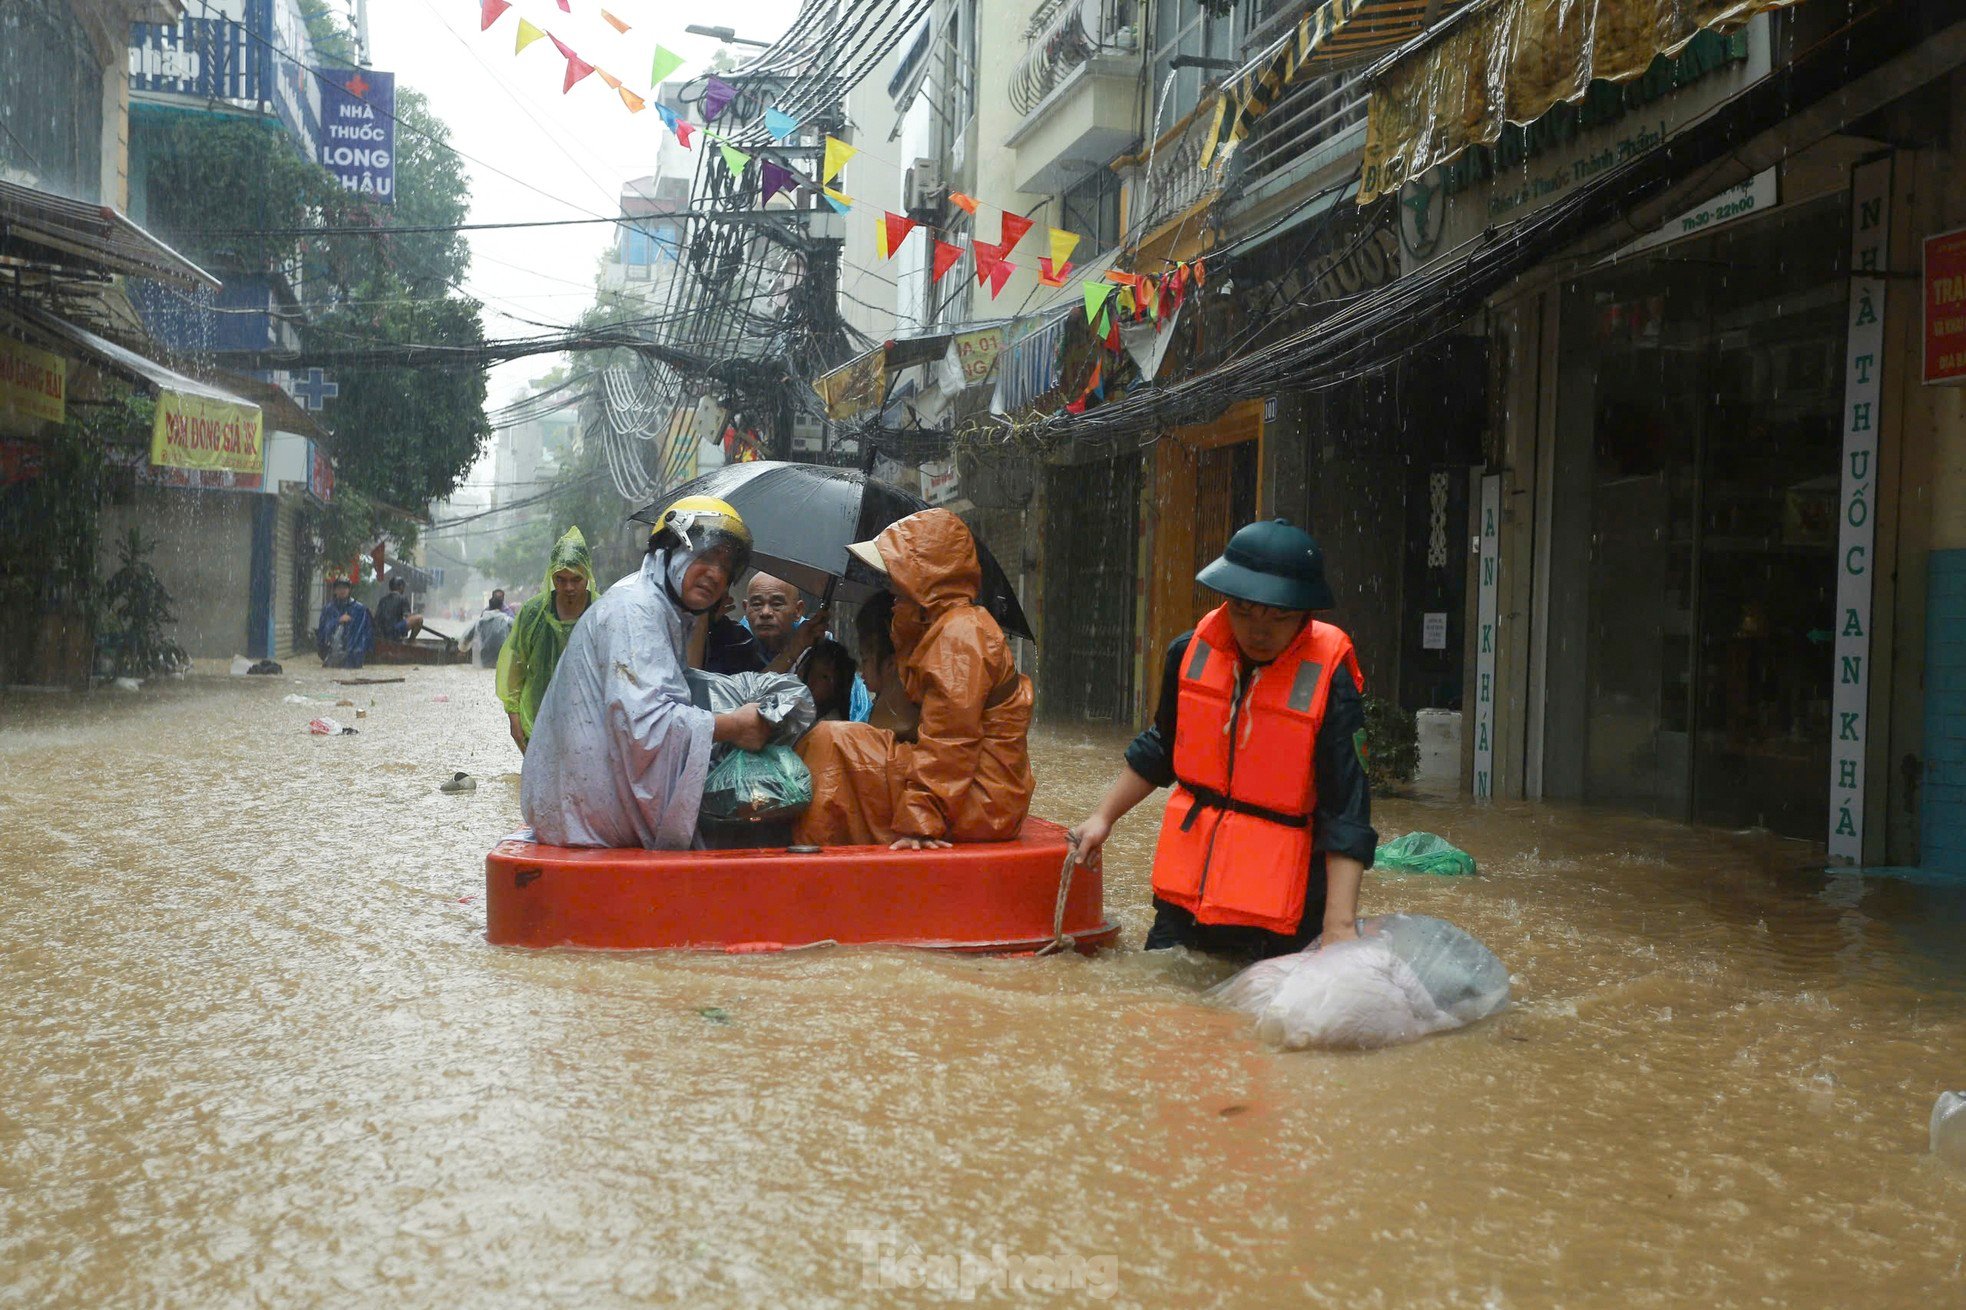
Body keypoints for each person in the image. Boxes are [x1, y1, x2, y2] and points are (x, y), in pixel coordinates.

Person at [1069, 519, 1376, 960]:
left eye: (1278, 616)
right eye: (1244, 611)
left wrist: (1339, 926)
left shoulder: (1332, 684)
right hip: (1185, 903)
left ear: (1305, 614)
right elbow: (1162, 747)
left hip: (1280, 918)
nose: (1259, 630)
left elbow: (1348, 809)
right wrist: (1103, 817)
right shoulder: (1187, 653)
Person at [520, 497, 773, 848]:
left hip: (575, 816)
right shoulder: (634, 610)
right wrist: (736, 726)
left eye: (727, 567)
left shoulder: (659, 608)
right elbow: (645, 727)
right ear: (669, 551)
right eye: (705, 556)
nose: (717, 574)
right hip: (588, 826)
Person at [794, 508, 1033, 851]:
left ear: (924, 576)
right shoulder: (942, 627)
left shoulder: (960, 634)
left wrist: (922, 819)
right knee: (834, 739)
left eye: (897, 576)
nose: (892, 587)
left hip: (980, 800)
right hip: (976, 792)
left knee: (832, 743)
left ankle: (814, 865)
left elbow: (951, 740)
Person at [496, 526, 600, 753]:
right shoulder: (533, 613)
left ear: (588, 576)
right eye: (560, 579)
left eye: (576, 579)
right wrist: (514, 718)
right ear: (551, 576)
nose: (568, 587)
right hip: (537, 722)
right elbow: (515, 667)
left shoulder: (602, 612)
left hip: (591, 727)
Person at [315, 576, 375, 669]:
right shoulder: (329, 609)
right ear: (334, 590)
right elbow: (323, 631)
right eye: (339, 588)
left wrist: (363, 652)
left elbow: (367, 633)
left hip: (354, 657)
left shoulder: (360, 610)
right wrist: (338, 620)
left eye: (345, 588)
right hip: (332, 654)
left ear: (349, 589)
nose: (342, 590)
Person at [800, 639, 859, 722]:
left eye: (823, 677)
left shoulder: (831, 726)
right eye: (810, 672)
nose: (811, 682)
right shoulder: (800, 712)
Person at [375, 576, 423, 643]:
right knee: (419, 618)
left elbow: (377, 619)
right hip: (394, 632)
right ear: (401, 587)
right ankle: (411, 640)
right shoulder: (402, 598)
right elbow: (408, 617)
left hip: (382, 633)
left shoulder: (382, 600)